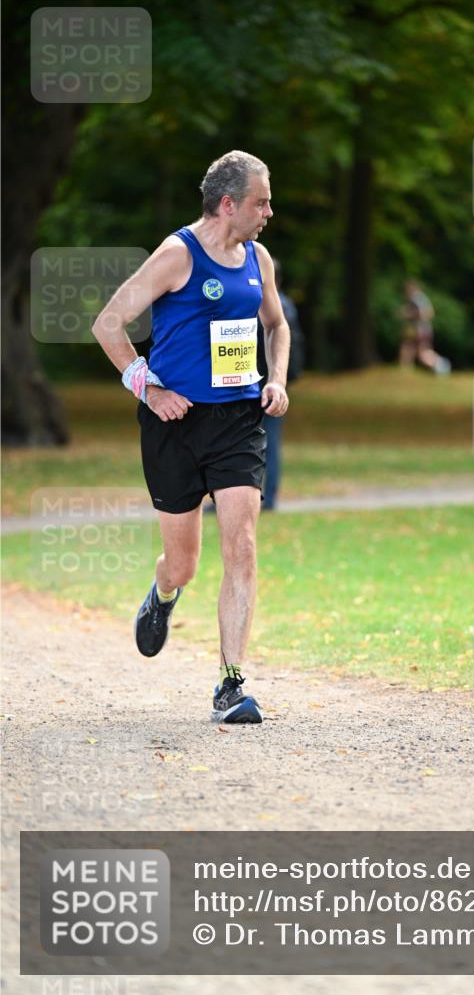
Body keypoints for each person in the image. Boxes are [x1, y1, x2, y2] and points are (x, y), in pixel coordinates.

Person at [91, 150, 290, 725]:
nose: (269, 212)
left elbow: (275, 325)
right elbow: (108, 323)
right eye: (261, 201)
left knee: (243, 546)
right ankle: (164, 593)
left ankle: (231, 685)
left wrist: (275, 379)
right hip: (173, 423)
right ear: (228, 204)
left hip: (237, 421)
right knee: (184, 563)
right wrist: (148, 391)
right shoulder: (178, 254)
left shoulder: (259, 258)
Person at [257, 258, 304, 510]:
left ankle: (270, 496)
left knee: (268, 441)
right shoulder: (288, 305)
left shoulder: (276, 307)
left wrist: (277, 381)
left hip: (265, 385)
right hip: (265, 384)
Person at [398, 280, 451, 374]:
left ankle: (441, 365)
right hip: (421, 329)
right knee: (413, 349)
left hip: (420, 330)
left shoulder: (417, 298)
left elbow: (427, 313)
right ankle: (405, 370)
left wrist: (407, 314)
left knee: (420, 352)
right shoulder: (419, 298)